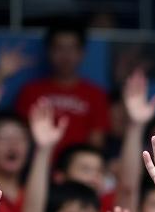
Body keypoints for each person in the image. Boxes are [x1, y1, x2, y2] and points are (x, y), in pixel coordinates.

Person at [15, 21, 109, 151]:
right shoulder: (30, 91)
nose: (66, 56)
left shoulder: (96, 94)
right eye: (59, 48)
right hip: (37, 165)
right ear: (48, 51)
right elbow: (20, 136)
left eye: (71, 48)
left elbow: (96, 141)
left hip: (78, 168)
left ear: (82, 53)